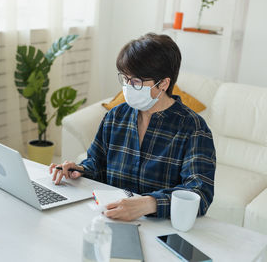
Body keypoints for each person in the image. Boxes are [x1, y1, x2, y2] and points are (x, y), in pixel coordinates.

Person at [49, 33, 216, 221]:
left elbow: (200, 194)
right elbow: (97, 164)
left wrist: (147, 204)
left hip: (159, 228)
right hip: (110, 218)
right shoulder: (115, 116)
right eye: (125, 79)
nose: (127, 87)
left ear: (164, 84)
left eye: (136, 81)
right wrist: (78, 169)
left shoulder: (193, 128)